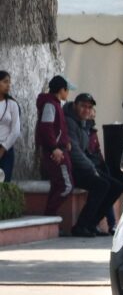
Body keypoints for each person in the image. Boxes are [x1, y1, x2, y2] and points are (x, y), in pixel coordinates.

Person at [64, 93, 123, 237]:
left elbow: (87, 150)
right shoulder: (69, 122)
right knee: (101, 185)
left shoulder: (83, 123)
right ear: (75, 105)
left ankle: (91, 224)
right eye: (83, 106)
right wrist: (92, 168)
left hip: (84, 167)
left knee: (117, 186)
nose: (86, 110)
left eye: (89, 107)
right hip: (72, 168)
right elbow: (75, 152)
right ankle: (81, 226)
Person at [36, 75, 75, 221]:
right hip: (56, 152)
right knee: (66, 186)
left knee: (58, 185)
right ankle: (50, 214)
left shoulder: (56, 104)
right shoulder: (50, 104)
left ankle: (50, 217)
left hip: (59, 149)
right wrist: (54, 148)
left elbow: (58, 128)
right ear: (61, 90)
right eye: (67, 90)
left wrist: (66, 141)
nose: (68, 93)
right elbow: (46, 128)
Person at [84, 104, 119, 232]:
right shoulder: (84, 131)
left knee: (111, 186)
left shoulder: (93, 132)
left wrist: (103, 165)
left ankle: (111, 223)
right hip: (89, 166)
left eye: (93, 114)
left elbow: (97, 150)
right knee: (104, 187)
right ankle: (99, 223)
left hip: (98, 165)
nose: (92, 116)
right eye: (90, 114)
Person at [0, 70, 20, 183]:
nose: (8, 85)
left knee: (4, 184)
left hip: (6, 150)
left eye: (9, 82)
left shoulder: (12, 104)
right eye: (5, 82)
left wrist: (3, 149)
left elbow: (15, 130)